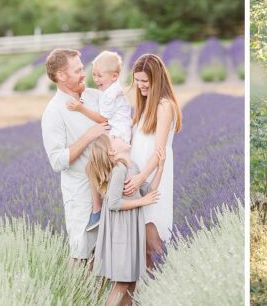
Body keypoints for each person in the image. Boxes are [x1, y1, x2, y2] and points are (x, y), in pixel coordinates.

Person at [40, 48, 110, 260]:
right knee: (81, 255)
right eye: (78, 70)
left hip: (111, 189)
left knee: (109, 257)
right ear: (61, 76)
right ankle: (75, 294)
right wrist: (89, 136)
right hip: (80, 196)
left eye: (82, 68)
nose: (84, 74)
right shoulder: (54, 112)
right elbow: (57, 161)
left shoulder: (96, 97)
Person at [65, 50, 133, 232]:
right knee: (94, 167)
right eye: (94, 74)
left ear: (114, 76)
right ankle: (100, 208)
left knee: (92, 166)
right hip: (118, 135)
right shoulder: (111, 90)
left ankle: (98, 209)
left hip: (116, 138)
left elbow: (103, 118)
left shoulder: (110, 94)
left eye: (100, 75)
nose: (96, 78)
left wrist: (80, 108)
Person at [125, 54, 181, 268]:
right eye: (137, 81)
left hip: (153, 174)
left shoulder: (164, 105)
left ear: (156, 80)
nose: (140, 86)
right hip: (139, 175)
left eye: (144, 82)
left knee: (153, 237)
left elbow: (159, 151)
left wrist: (140, 178)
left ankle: (167, 285)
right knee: (143, 244)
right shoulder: (145, 105)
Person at [89, 136, 158, 306]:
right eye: (113, 139)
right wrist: (141, 202)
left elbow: (149, 191)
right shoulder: (119, 169)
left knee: (131, 285)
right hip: (122, 234)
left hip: (131, 231)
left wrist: (161, 166)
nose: (117, 136)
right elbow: (113, 203)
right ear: (113, 151)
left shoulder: (132, 166)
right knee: (122, 284)